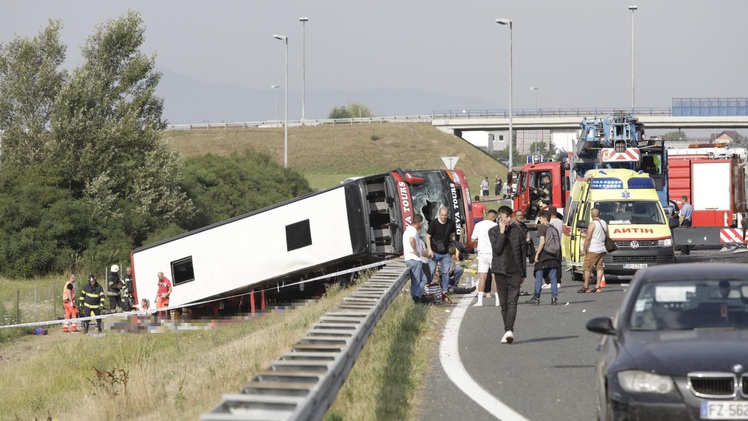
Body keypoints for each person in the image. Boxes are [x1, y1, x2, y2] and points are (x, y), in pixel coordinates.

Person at [489, 205, 526, 344]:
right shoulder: (492, 231)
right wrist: (502, 232)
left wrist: (523, 273)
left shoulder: (518, 231)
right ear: (500, 217)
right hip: (500, 271)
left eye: (510, 216)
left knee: (512, 302)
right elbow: (497, 249)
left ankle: (510, 330)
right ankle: (507, 330)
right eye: (506, 216)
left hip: (515, 271)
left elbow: (522, 253)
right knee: (504, 303)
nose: (509, 219)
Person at [526, 210, 561, 305]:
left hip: (544, 255)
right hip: (553, 256)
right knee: (553, 277)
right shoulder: (554, 228)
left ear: (545, 218)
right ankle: (554, 298)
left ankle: (536, 297)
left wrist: (537, 254)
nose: (539, 220)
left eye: (540, 218)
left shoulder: (542, 228)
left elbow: (542, 242)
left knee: (539, 276)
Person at [471, 209, 498, 307]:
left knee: (482, 277)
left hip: (482, 252)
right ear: (494, 217)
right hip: (493, 253)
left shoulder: (478, 225)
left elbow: (472, 239)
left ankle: (480, 301)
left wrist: (480, 239)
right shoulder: (495, 226)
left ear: (486, 215)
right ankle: (498, 300)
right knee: (495, 276)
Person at [427, 207, 456, 293]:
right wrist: (429, 249)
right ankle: (427, 288)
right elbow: (428, 237)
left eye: (445, 215)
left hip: (446, 252)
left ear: (448, 215)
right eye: (442, 215)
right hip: (434, 251)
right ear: (439, 214)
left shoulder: (451, 223)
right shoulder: (433, 223)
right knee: (431, 270)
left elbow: (453, 235)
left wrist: (453, 246)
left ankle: (445, 290)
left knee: (445, 272)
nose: (444, 217)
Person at [579, 208, 607, 294]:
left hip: (593, 249)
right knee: (599, 267)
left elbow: (588, 238)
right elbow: (606, 235)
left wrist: (584, 249)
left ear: (592, 215)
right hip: (602, 248)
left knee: (587, 268)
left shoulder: (592, 224)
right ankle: (598, 286)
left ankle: (586, 287)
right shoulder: (604, 223)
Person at [404, 214, 429, 302]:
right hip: (414, 260)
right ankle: (414, 302)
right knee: (416, 283)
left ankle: (417, 296)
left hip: (411, 259)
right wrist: (415, 250)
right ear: (420, 223)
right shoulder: (413, 231)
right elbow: (411, 240)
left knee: (424, 279)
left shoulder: (408, 230)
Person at [543, 205, 564, 288]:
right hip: (558, 245)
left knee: (547, 264)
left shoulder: (548, 222)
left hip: (549, 246)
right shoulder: (560, 222)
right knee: (558, 264)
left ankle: (548, 281)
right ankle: (558, 280)